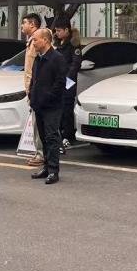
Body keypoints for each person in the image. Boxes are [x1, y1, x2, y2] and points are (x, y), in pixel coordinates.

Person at [28, 28, 67, 185]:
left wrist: (47, 98)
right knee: (43, 137)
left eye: (35, 40)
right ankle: (46, 167)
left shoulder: (57, 58)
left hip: (52, 106)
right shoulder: (38, 58)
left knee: (51, 137)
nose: (33, 43)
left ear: (45, 40)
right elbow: (34, 79)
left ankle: (53, 170)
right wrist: (31, 95)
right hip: (39, 105)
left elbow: (60, 83)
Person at [53, 16, 83, 149]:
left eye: (59, 30)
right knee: (57, 108)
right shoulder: (57, 43)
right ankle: (58, 133)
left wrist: (67, 79)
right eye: (56, 31)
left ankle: (67, 135)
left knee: (66, 109)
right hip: (57, 81)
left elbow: (75, 64)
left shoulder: (73, 45)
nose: (57, 33)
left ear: (66, 30)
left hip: (68, 82)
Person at [21, 12, 44, 167]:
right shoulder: (31, 42)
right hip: (32, 88)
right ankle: (40, 153)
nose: (22, 26)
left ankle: (42, 154)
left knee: (39, 124)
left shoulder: (38, 42)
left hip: (37, 89)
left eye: (24, 23)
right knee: (37, 123)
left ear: (32, 24)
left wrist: (33, 89)